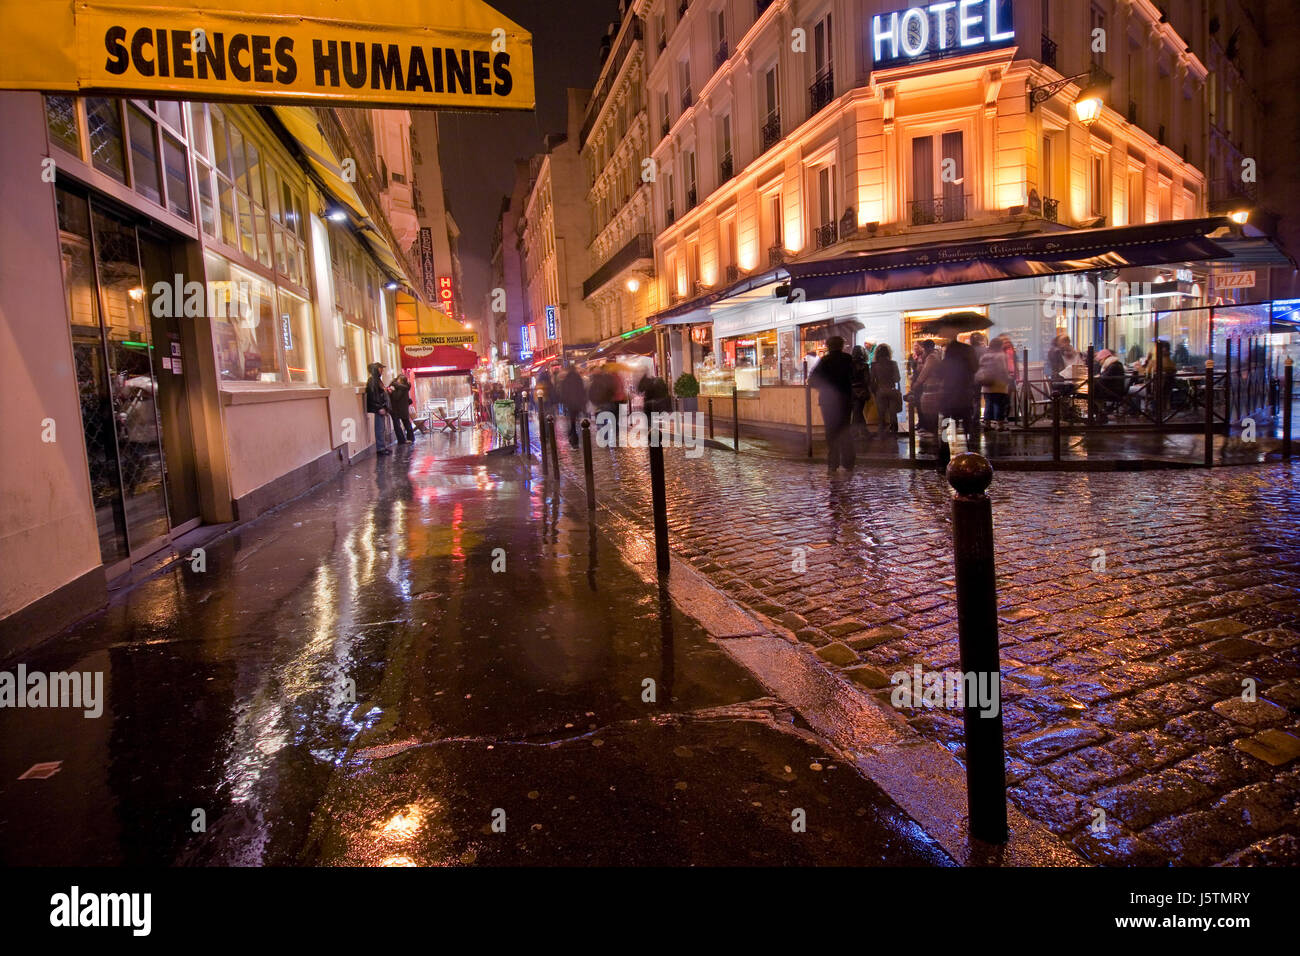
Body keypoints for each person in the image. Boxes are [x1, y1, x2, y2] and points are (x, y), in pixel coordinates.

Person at [809, 336, 856, 472]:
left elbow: (812, 380)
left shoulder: (825, 361)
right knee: (845, 429)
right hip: (845, 399)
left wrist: (825, 386)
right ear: (841, 346)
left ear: (829, 346)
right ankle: (848, 461)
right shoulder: (848, 359)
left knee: (831, 431)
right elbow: (856, 376)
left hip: (828, 401)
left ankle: (833, 462)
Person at [939, 335, 979, 438]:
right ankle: (969, 441)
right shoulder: (968, 350)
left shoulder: (949, 351)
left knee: (946, 416)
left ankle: (943, 440)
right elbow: (975, 367)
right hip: (965, 388)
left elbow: (941, 371)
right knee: (966, 416)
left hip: (949, 389)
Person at [976, 335, 1014, 428]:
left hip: (986, 384)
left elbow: (980, 367)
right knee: (999, 404)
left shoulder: (985, 356)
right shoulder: (1001, 355)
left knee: (988, 404)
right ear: (999, 346)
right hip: (998, 384)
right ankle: (1000, 425)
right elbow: (1003, 369)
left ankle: (987, 424)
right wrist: (1008, 378)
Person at [908, 339, 943, 434]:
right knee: (930, 410)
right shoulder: (934, 355)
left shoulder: (931, 357)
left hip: (931, 386)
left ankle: (931, 430)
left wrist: (916, 383)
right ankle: (931, 429)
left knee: (929, 410)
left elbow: (924, 372)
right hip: (934, 386)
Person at [868, 343, 902, 438]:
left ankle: (881, 433)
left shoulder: (874, 365)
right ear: (888, 353)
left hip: (880, 390)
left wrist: (874, 391)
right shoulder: (893, 363)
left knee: (881, 413)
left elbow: (872, 380)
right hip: (891, 390)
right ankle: (894, 433)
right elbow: (897, 379)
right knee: (893, 413)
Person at [365, 362, 392, 456]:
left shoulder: (377, 380)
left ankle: (382, 447)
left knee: (382, 428)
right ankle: (380, 448)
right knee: (379, 428)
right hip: (379, 408)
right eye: (381, 368)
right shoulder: (373, 381)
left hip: (381, 407)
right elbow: (374, 395)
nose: (382, 370)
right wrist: (379, 407)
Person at [559, 365, 588, 446]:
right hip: (578, 403)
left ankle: (573, 437)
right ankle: (577, 436)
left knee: (572, 421)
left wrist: (564, 402)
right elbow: (582, 390)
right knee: (578, 420)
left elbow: (563, 393)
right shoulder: (578, 378)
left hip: (570, 404)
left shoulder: (565, 380)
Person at [388, 373, 416, 444]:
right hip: (403, 408)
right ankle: (411, 438)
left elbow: (396, 397)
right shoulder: (406, 387)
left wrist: (392, 391)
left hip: (397, 408)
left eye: (399, 380)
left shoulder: (400, 388)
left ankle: (402, 440)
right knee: (407, 423)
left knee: (397, 425)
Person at [850, 345, 871, 436]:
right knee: (857, 411)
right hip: (861, 391)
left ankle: (864, 431)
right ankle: (855, 432)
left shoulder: (849, 365)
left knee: (857, 411)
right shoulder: (865, 365)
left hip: (851, 391)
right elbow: (867, 380)